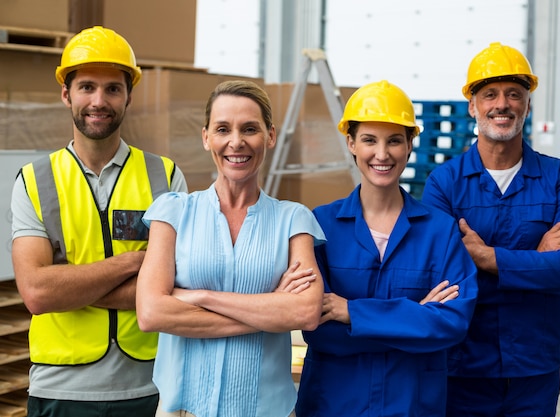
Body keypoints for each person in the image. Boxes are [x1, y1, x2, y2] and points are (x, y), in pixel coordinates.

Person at [10, 26, 188, 417]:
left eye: (112, 89)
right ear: (66, 94)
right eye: (87, 86)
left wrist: (68, 285)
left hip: (151, 387)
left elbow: (177, 283)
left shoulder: (166, 176)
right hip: (61, 391)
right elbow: (37, 294)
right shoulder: (35, 181)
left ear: (128, 97)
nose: (99, 100)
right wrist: (135, 263)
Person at [421, 42, 560, 417]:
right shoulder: (444, 183)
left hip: (534, 367)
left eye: (514, 94)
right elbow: (440, 276)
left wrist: (485, 257)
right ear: (473, 106)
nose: (502, 104)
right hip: (463, 366)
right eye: (490, 95)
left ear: (527, 105)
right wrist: (537, 259)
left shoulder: (558, 177)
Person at [135, 80, 325, 417]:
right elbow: (151, 313)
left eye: (249, 129)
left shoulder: (293, 219)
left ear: (270, 135)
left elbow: (304, 313)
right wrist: (271, 312)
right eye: (223, 129)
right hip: (183, 411)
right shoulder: (173, 212)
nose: (236, 142)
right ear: (206, 136)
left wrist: (200, 297)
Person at [295, 80, 478, 417]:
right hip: (334, 404)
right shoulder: (320, 226)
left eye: (394, 140)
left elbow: (451, 324)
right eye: (369, 140)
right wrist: (415, 318)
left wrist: (352, 312)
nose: (382, 154)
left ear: (410, 145)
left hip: (412, 405)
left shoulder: (440, 231)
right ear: (351, 143)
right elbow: (317, 330)